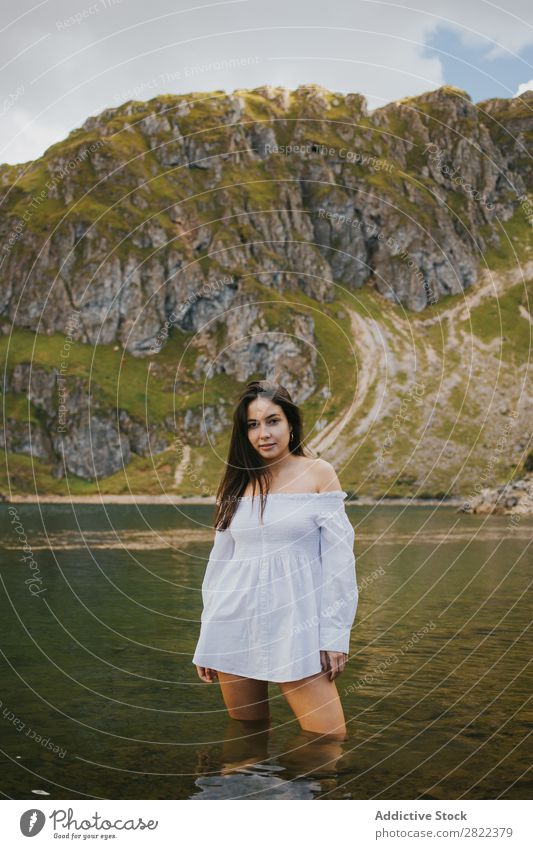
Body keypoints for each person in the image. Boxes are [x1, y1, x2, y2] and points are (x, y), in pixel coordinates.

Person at [192, 378, 358, 740]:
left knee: (328, 741)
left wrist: (334, 636)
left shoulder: (318, 473)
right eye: (252, 425)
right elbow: (219, 566)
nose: (263, 433)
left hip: (296, 627)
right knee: (246, 735)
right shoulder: (235, 482)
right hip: (234, 623)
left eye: (272, 421)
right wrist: (208, 637)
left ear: (290, 423)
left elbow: (339, 563)